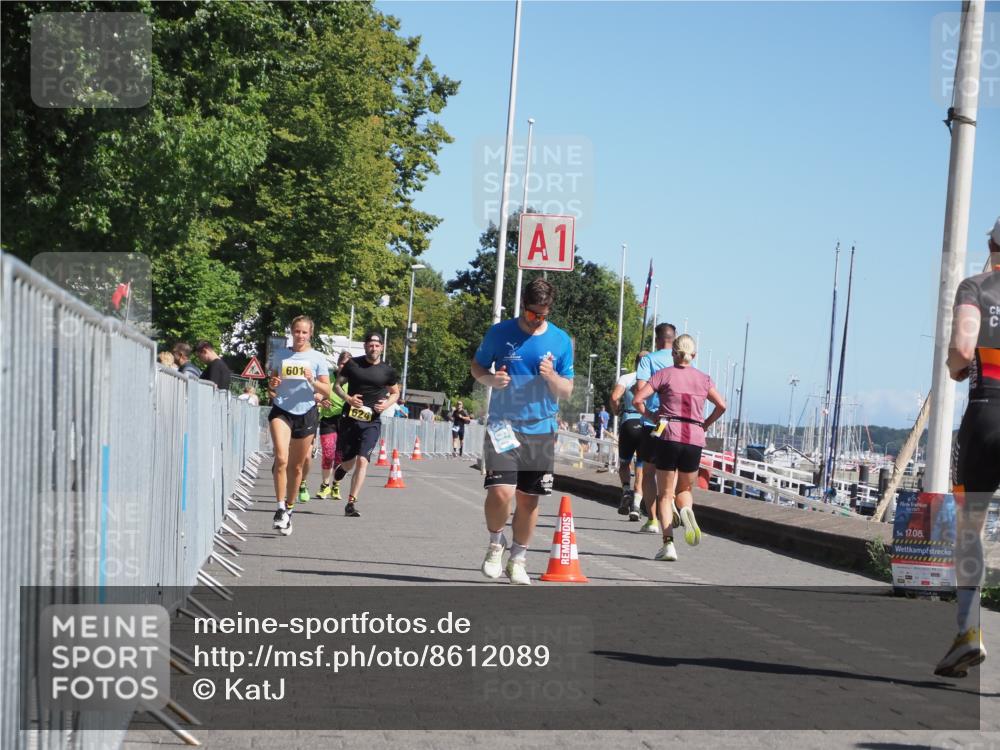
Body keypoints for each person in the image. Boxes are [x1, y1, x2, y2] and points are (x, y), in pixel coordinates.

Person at [472, 278, 574, 585]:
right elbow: (477, 367)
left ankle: (518, 557)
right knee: (500, 491)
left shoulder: (560, 340)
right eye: (532, 314)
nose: (536, 320)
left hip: (541, 429)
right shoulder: (500, 333)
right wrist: (490, 380)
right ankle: (495, 544)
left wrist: (551, 376)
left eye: (542, 315)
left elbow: (567, 390)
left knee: (529, 500)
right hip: (503, 424)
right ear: (523, 308)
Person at [934, 217, 1000, 678]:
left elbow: (962, 348)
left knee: (970, 528)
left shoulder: (976, 287)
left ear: (993, 244)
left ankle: (969, 631)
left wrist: (957, 366)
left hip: (986, 412)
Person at [633, 334, 725, 562]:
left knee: (665, 495)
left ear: (674, 353)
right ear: (693, 356)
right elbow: (722, 405)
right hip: (694, 437)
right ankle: (686, 511)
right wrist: (705, 423)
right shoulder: (704, 379)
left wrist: (651, 415)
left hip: (669, 435)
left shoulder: (664, 374)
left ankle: (668, 545)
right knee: (684, 490)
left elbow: (638, 399)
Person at [267, 316, 331, 536]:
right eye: (297, 331)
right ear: (291, 332)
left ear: (310, 334)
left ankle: (290, 509)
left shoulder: (318, 358)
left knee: (296, 467)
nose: (300, 336)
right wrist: (273, 384)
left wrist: (312, 380)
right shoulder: (280, 354)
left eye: (304, 332)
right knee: (282, 458)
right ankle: (279, 508)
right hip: (282, 410)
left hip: (306, 412)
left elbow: (327, 391)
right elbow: (273, 386)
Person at [333, 332, 400, 518]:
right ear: (365, 346)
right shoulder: (353, 364)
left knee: (363, 460)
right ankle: (342, 470)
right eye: (371, 345)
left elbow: (395, 392)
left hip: (372, 422)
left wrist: (386, 404)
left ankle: (351, 503)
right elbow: (336, 386)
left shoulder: (388, 371)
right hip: (350, 419)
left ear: (382, 348)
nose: (374, 348)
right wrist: (348, 398)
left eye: (377, 345)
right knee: (349, 462)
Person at [634, 323, 677, 533]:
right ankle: (671, 504)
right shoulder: (682, 361)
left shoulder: (648, 360)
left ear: (658, 339)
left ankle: (652, 520)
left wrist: (649, 411)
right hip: (676, 424)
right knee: (672, 469)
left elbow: (641, 390)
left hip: (654, 423)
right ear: (674, 339)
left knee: (649, 471)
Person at [610, 351, 650, 519]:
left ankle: (626, 490)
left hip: (628, 424)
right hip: (645, 424)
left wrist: (616, 411)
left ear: (635, 363)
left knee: (625, 463)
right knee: (640, 466)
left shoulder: (626, 378)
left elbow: (614, 397)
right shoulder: (653, 379)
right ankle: (636, 506)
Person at [316, 351, 353, 501]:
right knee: (328, 452)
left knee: (340, 456)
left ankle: (336, 485)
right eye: (343, 363)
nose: (344, 367)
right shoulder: (328, 378)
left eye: (348, 365)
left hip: (346, 420)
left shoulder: (354, 380)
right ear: (338, 364)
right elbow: (316, 393)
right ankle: (325, 485)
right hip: (328, 419)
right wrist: (321, 399)